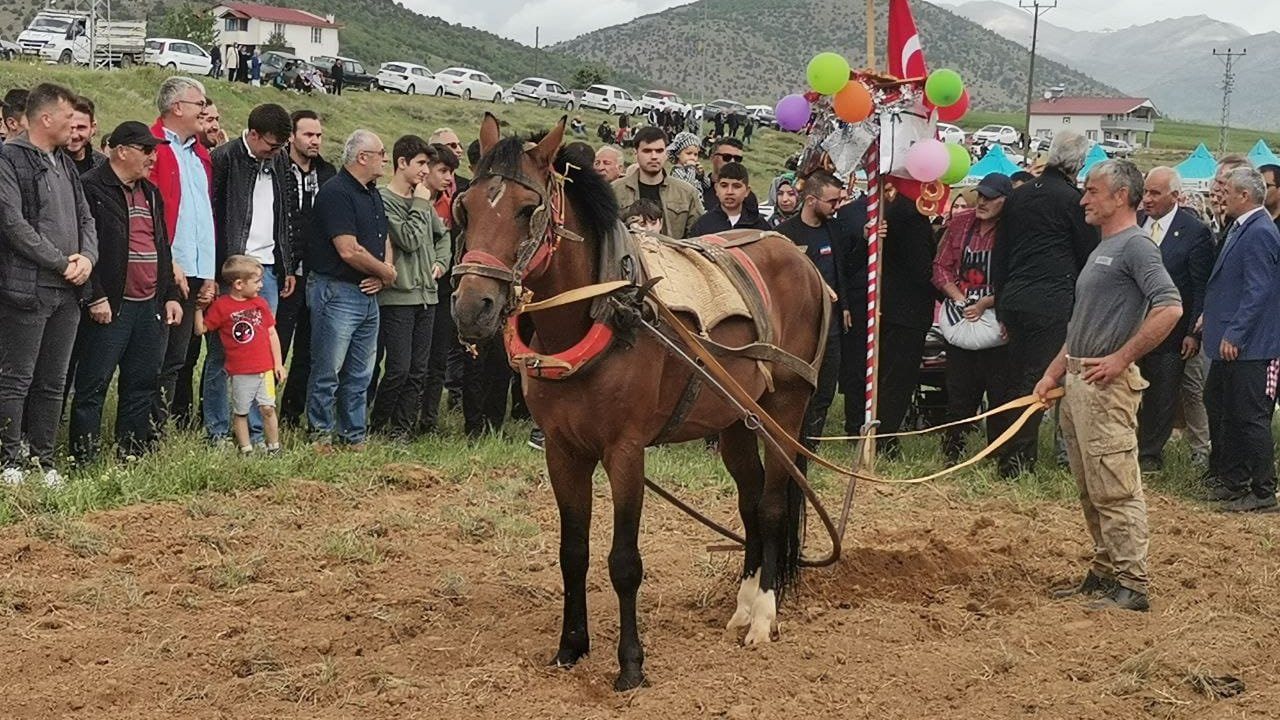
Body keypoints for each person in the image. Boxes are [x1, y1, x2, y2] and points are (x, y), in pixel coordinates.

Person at [1036, 159, 1182, 612]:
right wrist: (1054, 372)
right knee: (1090, 484)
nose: (1083, 199)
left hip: (1106, 388)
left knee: (1116, 485)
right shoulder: (1106, 248)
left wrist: (1121, 358)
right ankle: (1105, 571)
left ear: (1121, 196)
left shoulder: (1137, 247)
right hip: (1080, 382)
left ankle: (1133, 584)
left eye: (1092, 191)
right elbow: (1082, 324)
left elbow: (1170, 307)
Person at [0, 83, 98, 486]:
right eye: (66, 118)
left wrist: (87, 259)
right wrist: (61, 262)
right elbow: (12, 225)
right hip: (29, 288)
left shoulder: (66, 164)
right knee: (16, 378)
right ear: (45, 119)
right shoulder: (9, 159)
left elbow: (86, 218)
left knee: (53, 381)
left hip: (68, 291)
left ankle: (44, 458)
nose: (73, 126)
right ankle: (9, 460)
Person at [71, 121, 182, 463]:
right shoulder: (90, 187)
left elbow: (161, 245)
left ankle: (131, 453)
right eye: (147, 150)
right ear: (122, 151)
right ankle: (84, 458)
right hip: (111, 305)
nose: (153, 157)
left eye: (155, 150)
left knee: (142, 383)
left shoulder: (150, 192)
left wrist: (170, 295)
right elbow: (81, 245)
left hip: (149, 305)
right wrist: (96, 295)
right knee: (93, 384)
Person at [990, 130, 1098, 477]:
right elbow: (1087, 255)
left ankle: (1005, 449)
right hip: (1051, 301)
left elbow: (1001, 253)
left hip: (1015, 297)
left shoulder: (1019, 197)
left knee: (1013, 378)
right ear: (1078, 163)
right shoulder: (1073, 201)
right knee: (1037, 382)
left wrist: (1002, 303)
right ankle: (1017, 463)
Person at [206, 103, 295, 444]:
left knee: (261, 353)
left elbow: (285, 212)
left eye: (280, 148)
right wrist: (215, 274)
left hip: (268, 268)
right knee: (220, 354)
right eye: (270, 146)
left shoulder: (280, 159)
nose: (275, 153)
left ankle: (258, 431)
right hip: (233, 267)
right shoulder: (224, 158)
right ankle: (216, 430)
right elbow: (213, 216)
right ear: (253, 134)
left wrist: (285, 263)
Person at [306, 129, 395, 450]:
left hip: (367, 292)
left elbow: (383, 238)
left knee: (361, 372)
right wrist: (385, 271)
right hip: (337, 291)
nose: (385, 159)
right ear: (362, 157)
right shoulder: (336, 193)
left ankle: (353, 434)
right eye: (381, 153)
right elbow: (348, 249)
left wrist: (383, 274)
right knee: (328, 369)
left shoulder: (371, 193)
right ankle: (319, 433)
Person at [1201, 167, 1280, 513]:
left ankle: (1264, 491)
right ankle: (1233, 481)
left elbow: (1259, 289)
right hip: (1231, 340)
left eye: (1228, 191)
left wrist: (1236, 332)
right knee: (1226, 408)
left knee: (1250, 416)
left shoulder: (1260, 231)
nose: (1222, 196)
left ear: (1244, 196)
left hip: (1250, 344)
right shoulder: (1242, 227)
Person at [371, 138, 454, 438]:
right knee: (398, 369)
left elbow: (442, 236)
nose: (425, 170)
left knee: (418, 370)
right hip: (398, 297)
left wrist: (441, 264)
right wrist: (421, 201)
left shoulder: (421, 201)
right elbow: (408, 238)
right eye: (420, 164)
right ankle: (379, 424)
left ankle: (401, 431)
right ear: (401, 163)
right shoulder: (383, 200)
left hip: (426, 296)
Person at [1134, 167, 1213, 473]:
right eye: (1145, 192)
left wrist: (1194, 333)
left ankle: (1150, 454)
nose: (1147, 199)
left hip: (1172, 331)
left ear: (1175, 196)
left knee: (1162, 394)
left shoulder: (1194, 231)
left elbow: (1199, 286)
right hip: (1132, 326)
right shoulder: (1136, 222)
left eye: (1155, 193)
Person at [149, 76, 216, 434]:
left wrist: (207, 273)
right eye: (199, 105)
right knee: (155, 357)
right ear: (177, 108)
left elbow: (203, 218)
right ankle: (143, 432)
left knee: (178, 357)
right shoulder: (154, 147)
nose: (204, 111)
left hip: (193, 272)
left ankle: (160, 430)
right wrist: (167, 263)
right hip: (165, 270)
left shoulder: (200, 154)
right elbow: (156, 214)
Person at [932, 173, 1012, 465]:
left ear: (1005, 201)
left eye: (990, 198)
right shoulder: (960, 223)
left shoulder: (1013, 230)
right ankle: (953, 452)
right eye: (980, 196)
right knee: (959, 392)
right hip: (961, 316)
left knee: (999, 394)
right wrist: (958, 298)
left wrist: (987, 303)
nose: (982, 202)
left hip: (997, 319)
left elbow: (1015, 277)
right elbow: (940, 267)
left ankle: (998, 455)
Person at [775, 170, 851, 448]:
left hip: (830, 325)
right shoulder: (784, 235)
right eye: (832, 201)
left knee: (826, 387)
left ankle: (812, 442)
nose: (837, 206)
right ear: (810, 200)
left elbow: (843, 267)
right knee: (795, 385)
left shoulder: (835, 230)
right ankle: (789, 436)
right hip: (796, 326)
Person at [278, 109, 336, 426]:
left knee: (309, 351)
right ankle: (262, 413)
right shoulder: (277, 169)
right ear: (291, 136)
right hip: (284, 273)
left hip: (317, 275)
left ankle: (291, 414)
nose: (314, 141)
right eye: (308, 135)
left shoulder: (327, 174)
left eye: (318, 135)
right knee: (277, 347)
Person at [198, 255, 286, 455]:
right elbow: (201, 329)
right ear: (238, 284)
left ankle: (274, 447)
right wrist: (198, 309)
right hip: (240, 371)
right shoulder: (222, 306)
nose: (261, 285)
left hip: (265, 370)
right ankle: (246, 449)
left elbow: (272, 333)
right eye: (257, 281)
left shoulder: (260, 304)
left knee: (268, 408)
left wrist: (278, 364)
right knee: (241, 411)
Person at [875, 186, 939, 457]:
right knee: (897, 380)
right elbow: (921, 269)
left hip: (894, 308)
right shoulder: (910, 214)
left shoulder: (895, 208)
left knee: (888, 377)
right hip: (906, 312)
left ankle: (881, 433)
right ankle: (885, 438)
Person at [612, 127, 703, 238]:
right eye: (647, 151)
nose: (654, 156)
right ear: (635, 154)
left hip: (672, 254)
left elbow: (699, 236)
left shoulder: (687, 193)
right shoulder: (615, 191)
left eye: (659, 151)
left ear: (665, 153)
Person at [688, 162, 770, 235]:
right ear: (716, 189)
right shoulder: (702, 225)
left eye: (736, 186)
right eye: (724, 185)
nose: (729, 191)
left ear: (747, 191)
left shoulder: (761, 227)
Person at [66, 96, 106, 176]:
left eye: (81, 128)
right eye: (69, 127)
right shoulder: (43, 165)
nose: (74, 136)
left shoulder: (103, 166)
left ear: (93, 128)